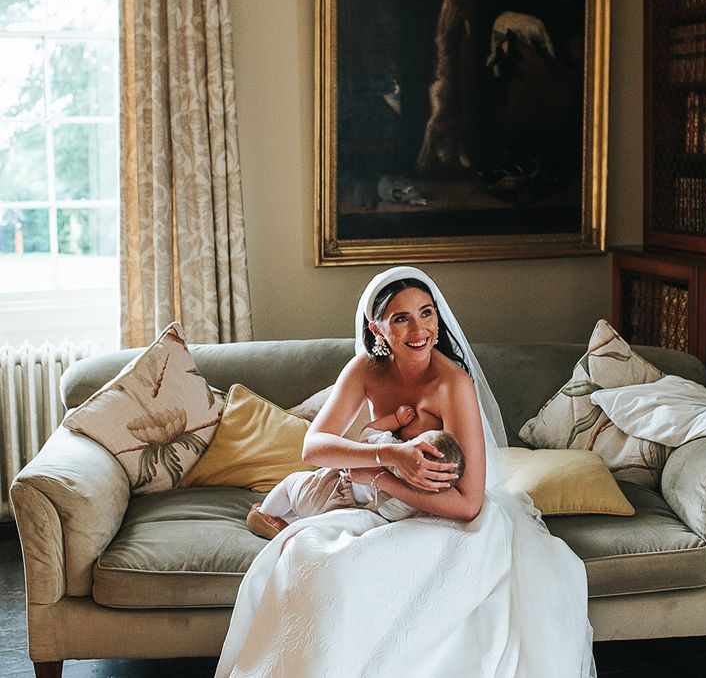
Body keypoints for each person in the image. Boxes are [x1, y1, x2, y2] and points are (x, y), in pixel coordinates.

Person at [216, 267, 596, 678]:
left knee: (354, 575)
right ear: (376, 328)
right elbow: (314, 447)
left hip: (446, 518)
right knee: (311, 562)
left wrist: (375, 477)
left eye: (427, 313)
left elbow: (468, 504)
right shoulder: (365, 370)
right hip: (380, 507)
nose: (420, 329)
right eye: (401, 318)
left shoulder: (453, 384)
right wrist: (391, 457)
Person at [245, 403, 466, 538]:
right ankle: (301, 530)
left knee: (290, 483)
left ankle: (265, 514)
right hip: (343, 520)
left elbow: (368, 432)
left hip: (328, 492)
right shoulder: (409, 503)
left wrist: (396, 419)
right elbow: (384, 515)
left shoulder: (391, 450)